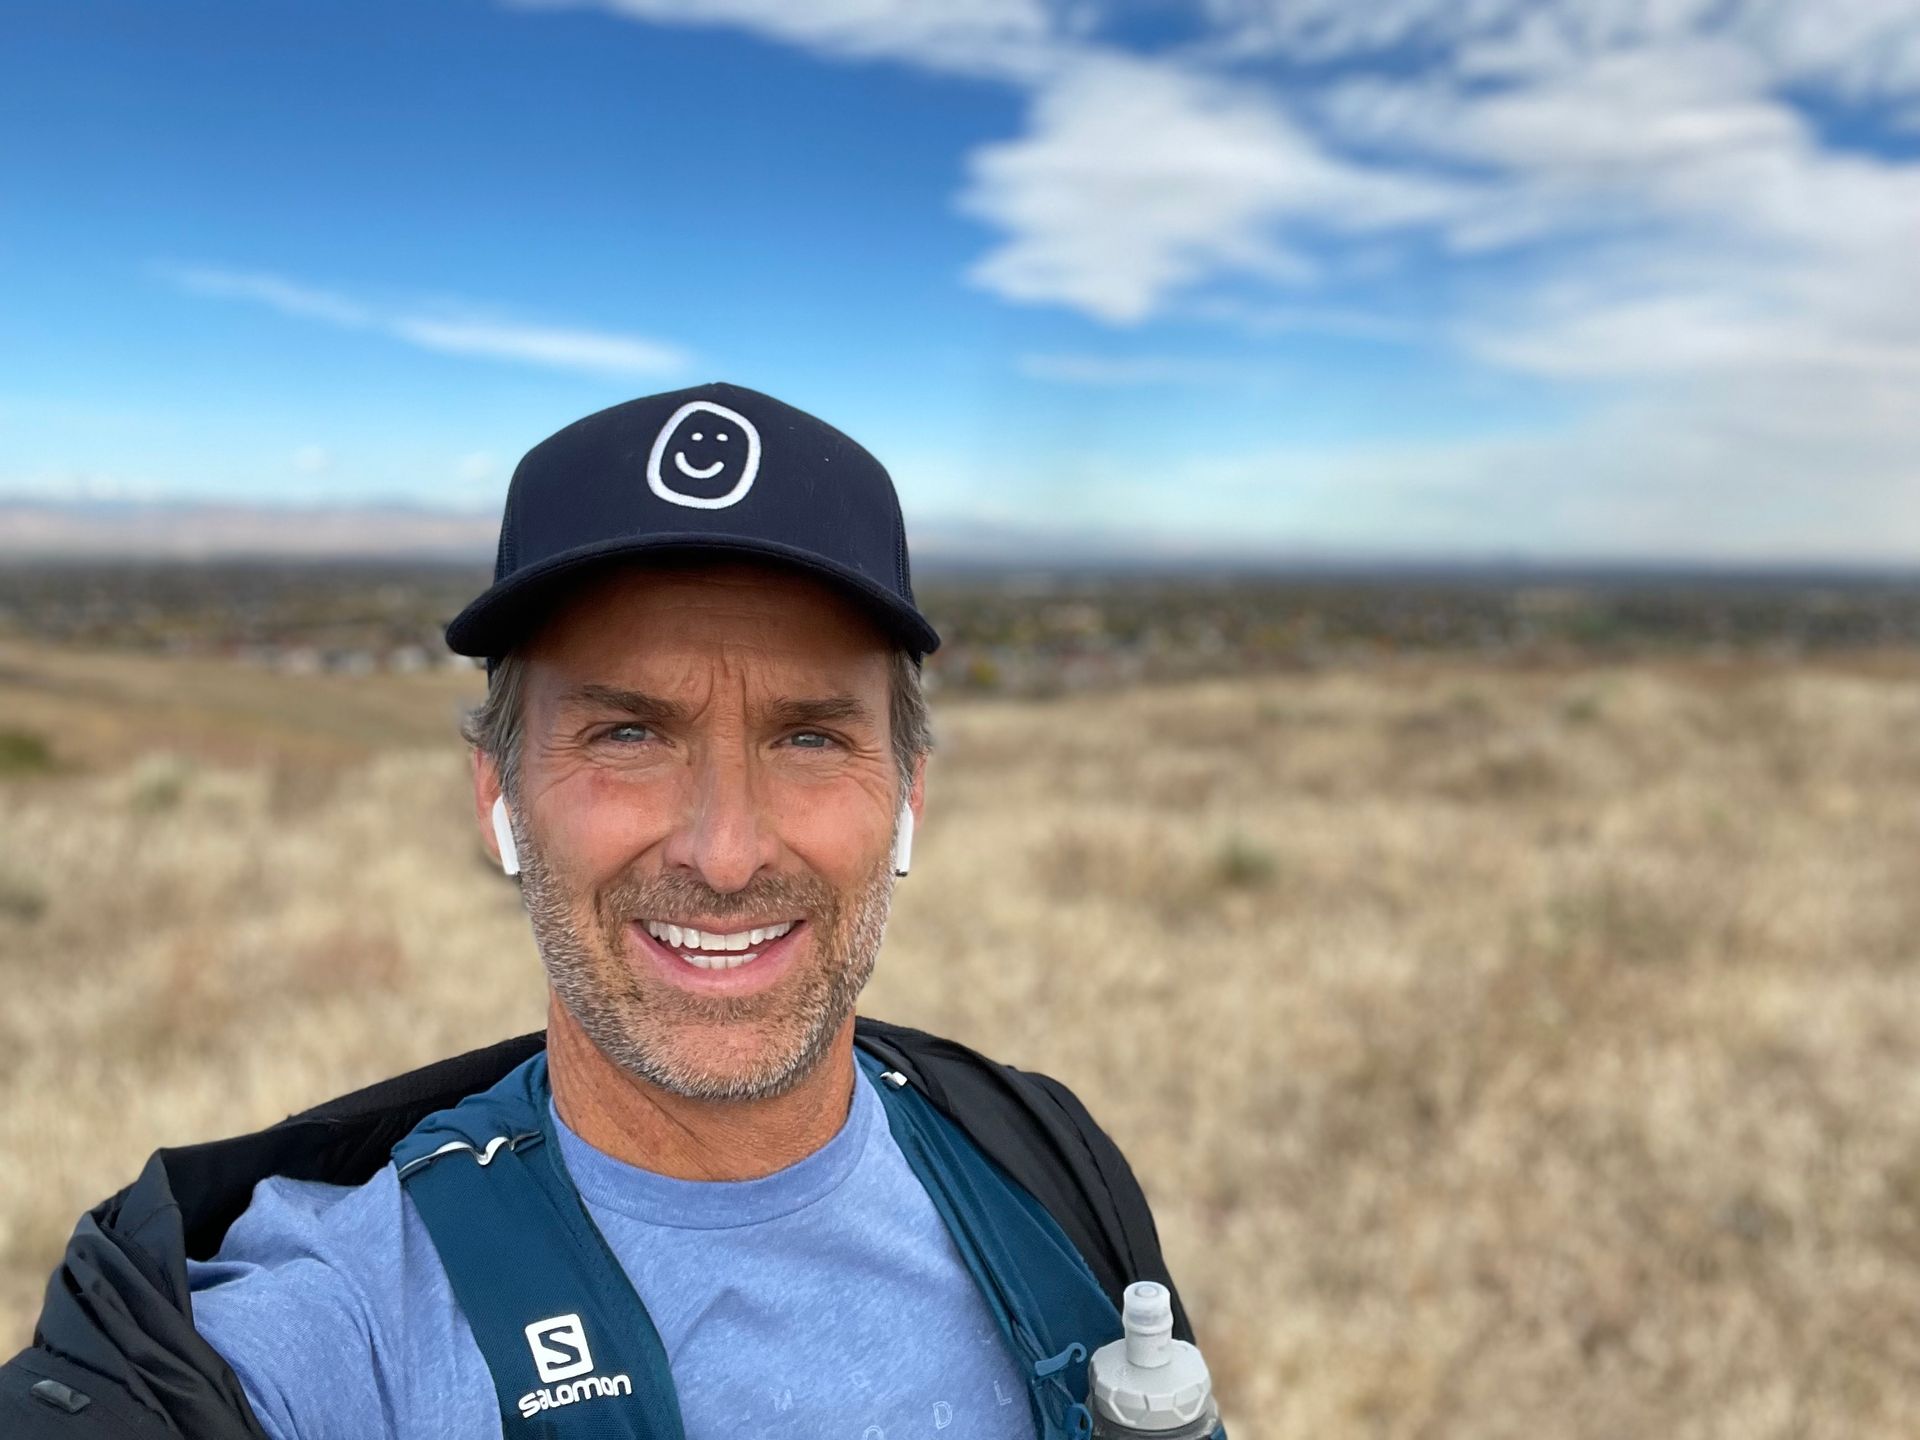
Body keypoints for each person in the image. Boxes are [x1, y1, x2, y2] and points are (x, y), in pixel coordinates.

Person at [2, 384, 1202, 1439]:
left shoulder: (1039, 1163)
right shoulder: (340, 1326)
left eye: (810, 735)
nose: (725, 854)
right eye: (627, 733)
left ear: (907, 801)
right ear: (501, 802)